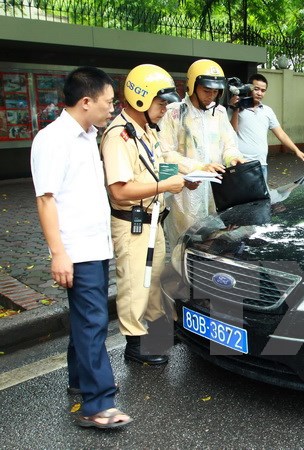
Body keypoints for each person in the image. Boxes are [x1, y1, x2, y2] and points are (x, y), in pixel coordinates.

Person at [31, 66, 131, 428]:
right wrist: (59, 253)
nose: (112, 108)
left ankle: (81, 381)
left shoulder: (89, 135)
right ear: (86, 101)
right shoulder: (53, 139)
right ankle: (98, 404)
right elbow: (46, 199)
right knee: (92, 322)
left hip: (96, 243)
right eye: (108, 102)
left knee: (86, 320)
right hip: (78, 249)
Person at [101, 64, 197, 365]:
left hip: (153, 218)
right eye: (160, 103)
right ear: (140, 99)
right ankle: (135, 344)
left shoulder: (144, 130)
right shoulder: (119, 137)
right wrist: (166, 184)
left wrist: (187, 176)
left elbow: (159, 166)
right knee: (134, 283)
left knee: (155, 279)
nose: (165, 110)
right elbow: (118, 191)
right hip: (132, 224)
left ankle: (156, 333)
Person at [158, 59, 245, 246]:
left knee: (214, 241)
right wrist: (199, 167)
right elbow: (165, 155)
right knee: (185, 244)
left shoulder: (220, 113)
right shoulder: (174, 113)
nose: (211, 96)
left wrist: (234, 158)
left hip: (216, 191)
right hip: (186, 192)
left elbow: (229, 145)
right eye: (206, 90)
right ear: (192, 86)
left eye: (215, 92)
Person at [230, 73, 304, 180]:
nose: (259, 93)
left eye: (263, 90)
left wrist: (296, 150)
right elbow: (232, 131)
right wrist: (236, 108)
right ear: (249, 88)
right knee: (240, 196)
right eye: (256, 89)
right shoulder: (236, 109)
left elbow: (281, 134)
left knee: (262, 197)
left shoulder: (268, 111)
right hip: (240, 164)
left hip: (261, 164)